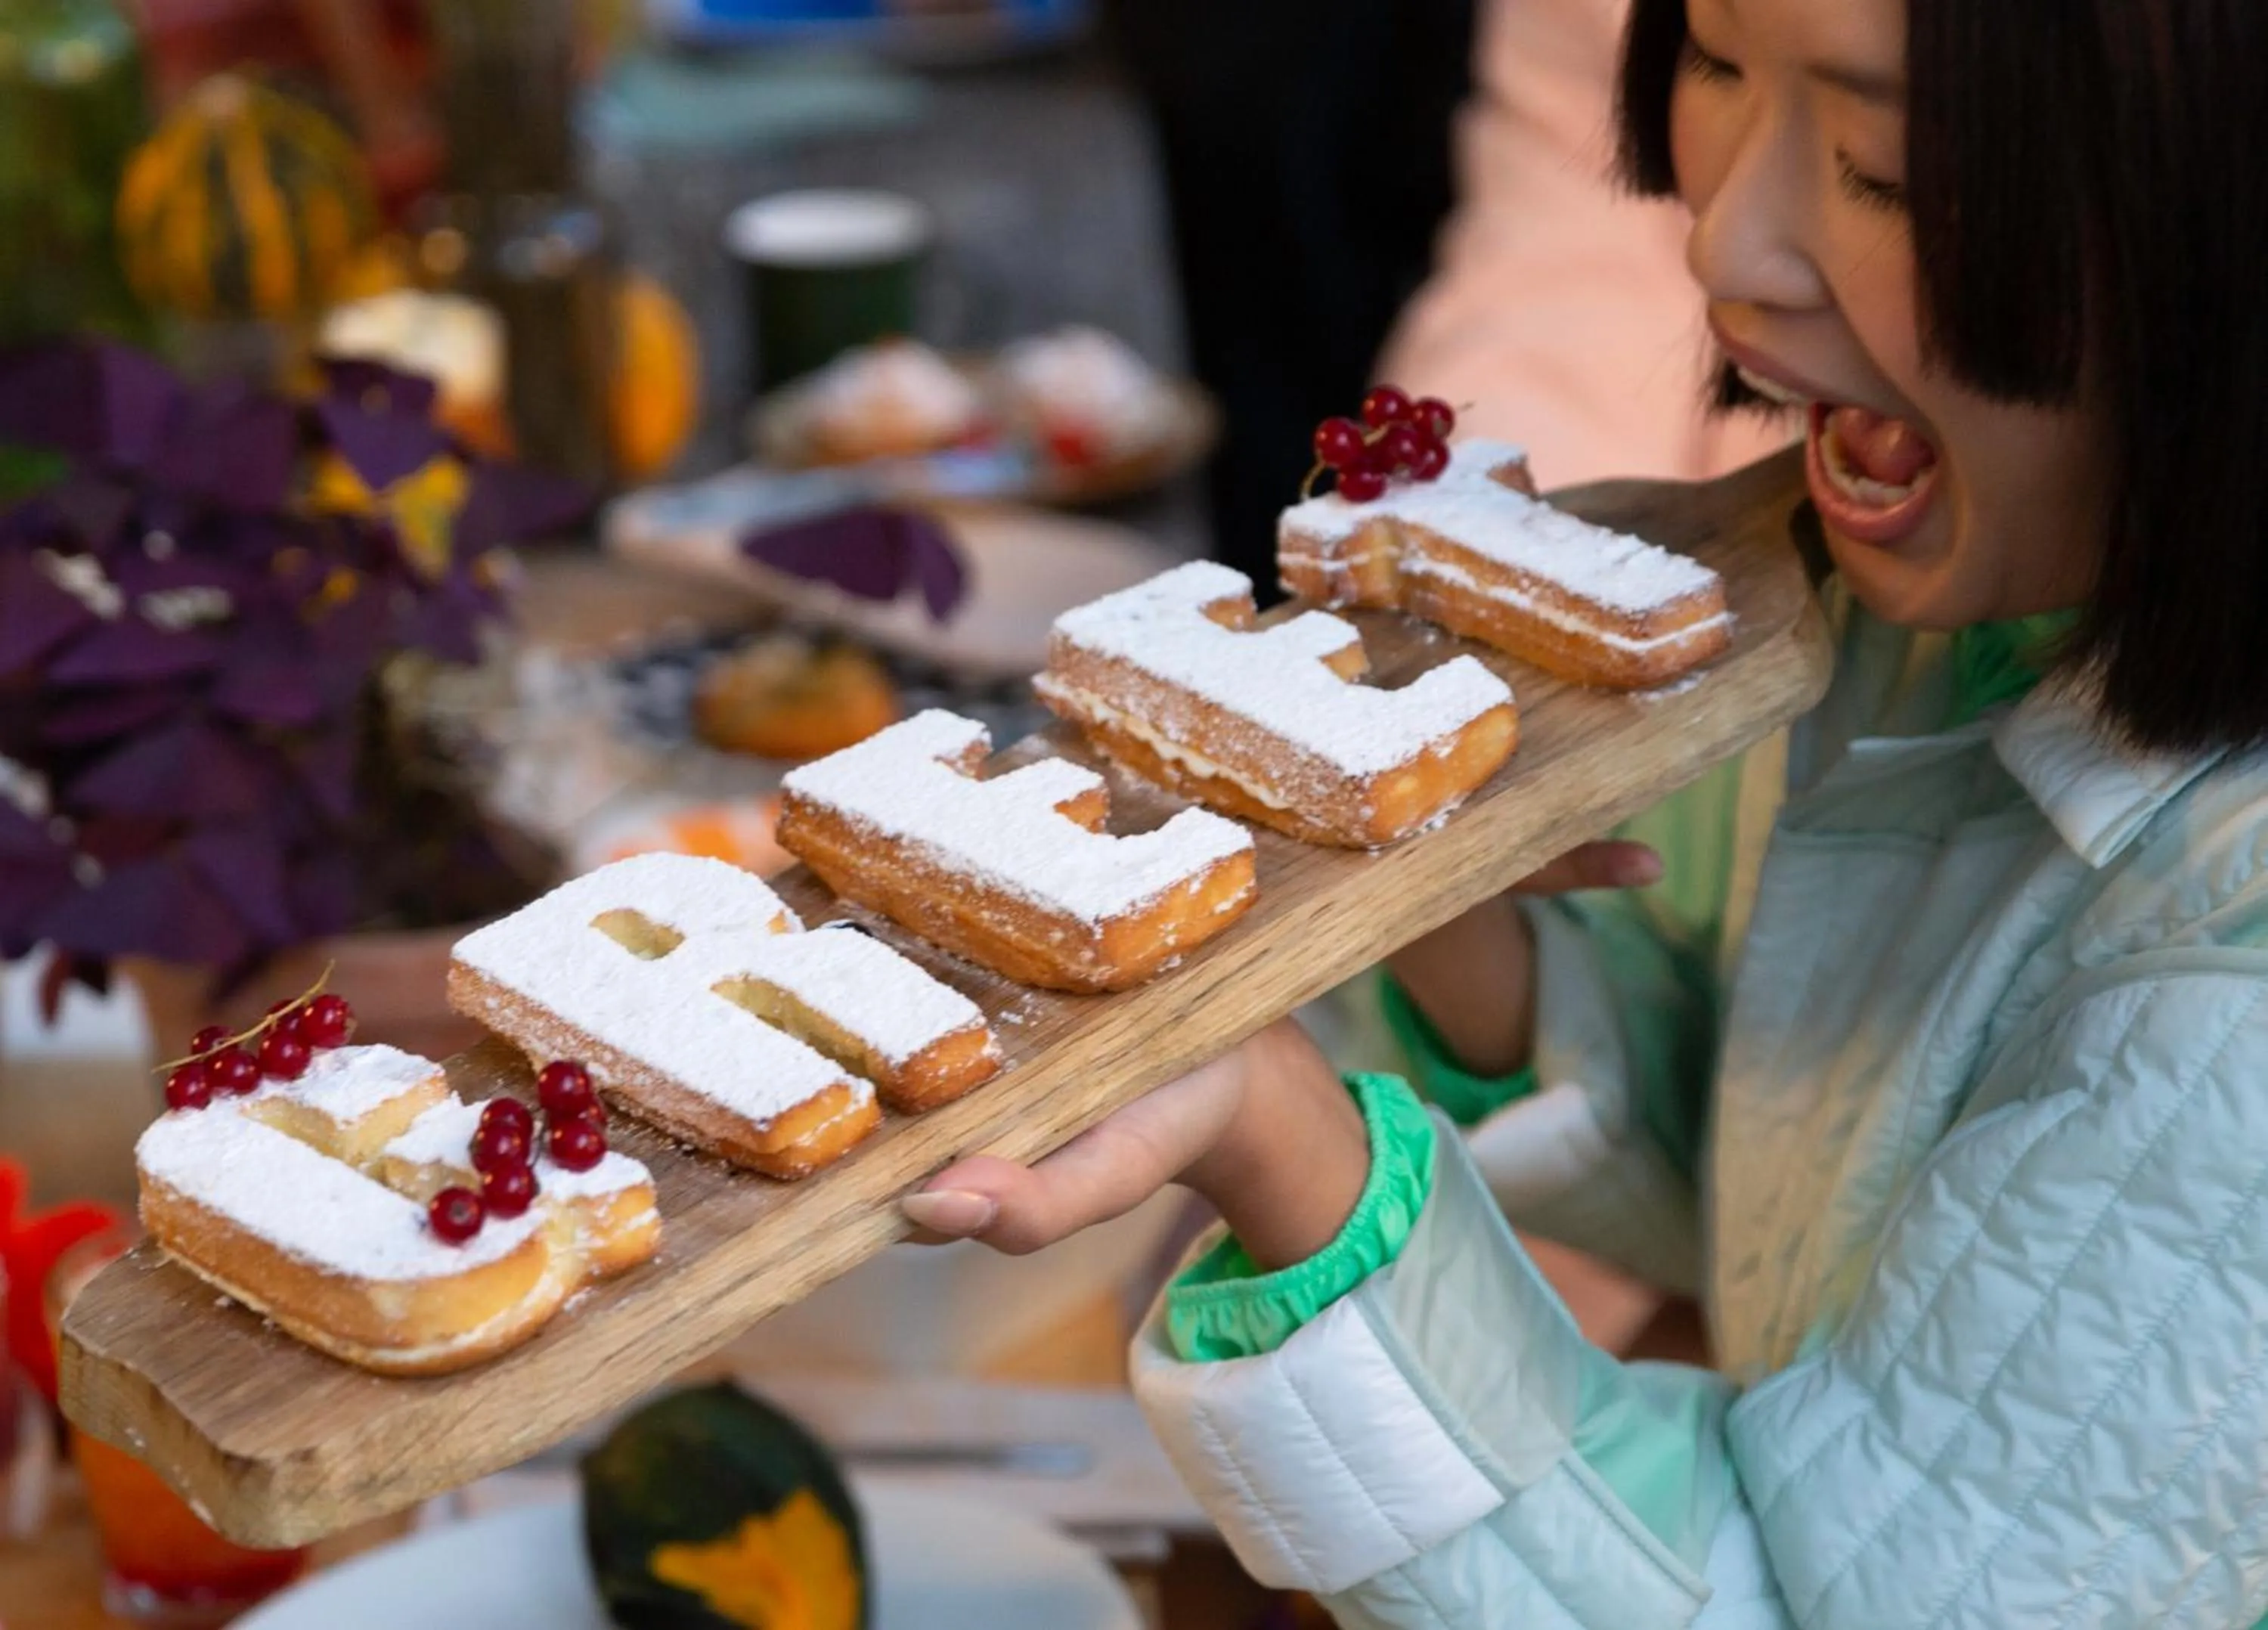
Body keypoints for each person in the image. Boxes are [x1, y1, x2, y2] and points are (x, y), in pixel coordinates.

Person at [903, 0, 2268, 1622]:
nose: (1726, 251)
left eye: (1884, 167)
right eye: (1710, 62)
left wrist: (1288, 1145)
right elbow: (1842, 1194)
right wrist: (1471, 932)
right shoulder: (1987, 611)